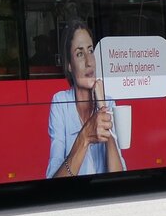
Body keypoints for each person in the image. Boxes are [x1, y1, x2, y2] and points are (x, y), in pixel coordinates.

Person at [45, 19, 126, 177]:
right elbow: (55, 178)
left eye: (90, 51)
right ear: (69, 65)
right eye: (80, 54)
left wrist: (102, 107)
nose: (89, 62)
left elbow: (118, 175)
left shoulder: (108, 102)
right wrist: (85, 137)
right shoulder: (61, 103)